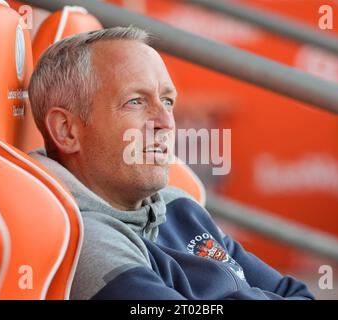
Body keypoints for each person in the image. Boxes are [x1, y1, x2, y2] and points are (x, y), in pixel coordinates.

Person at [28, 26, 315, 300]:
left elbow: (297, 294)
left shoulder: (178, 204)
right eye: (136, 101)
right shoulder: (85, 239)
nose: (165, 123)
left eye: (167, 102)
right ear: (67, 130)